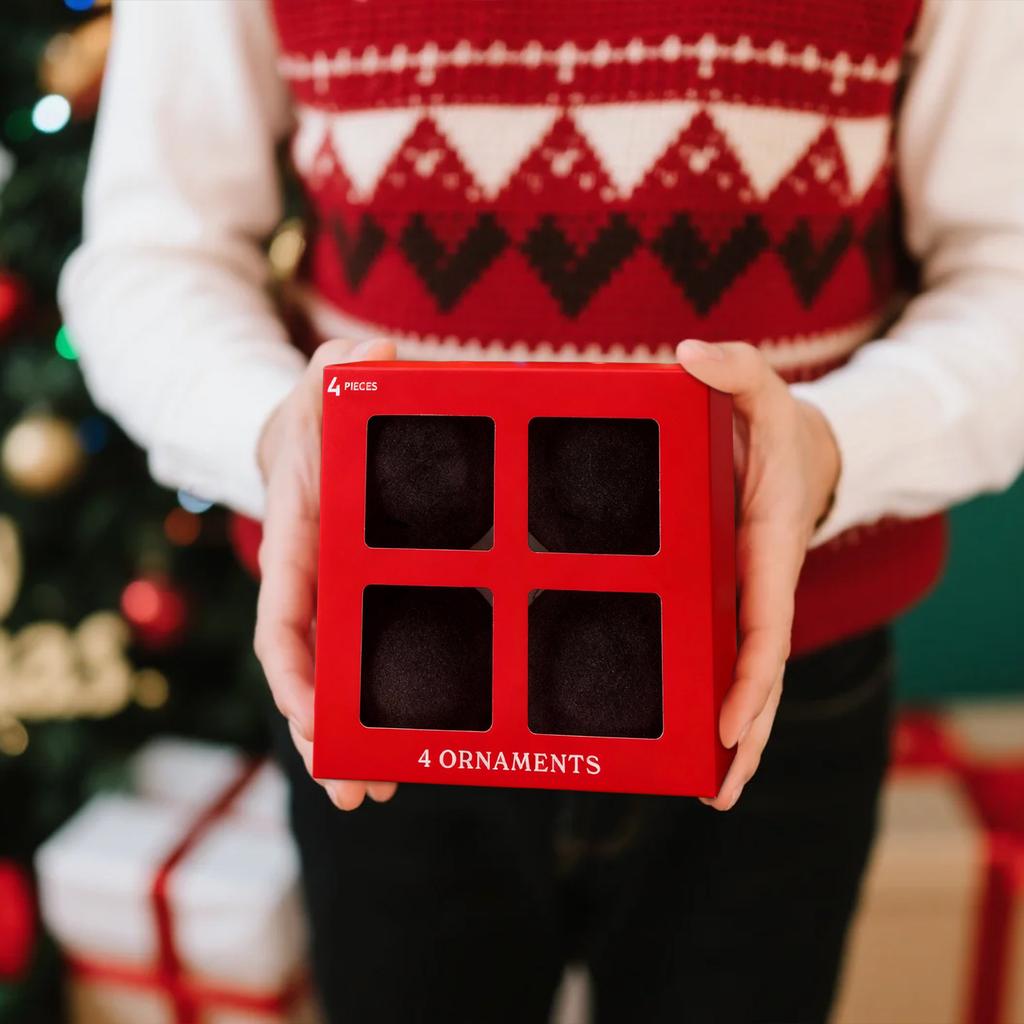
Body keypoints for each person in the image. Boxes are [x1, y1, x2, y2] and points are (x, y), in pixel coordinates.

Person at [60, 2, 1024, 1021]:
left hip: (776, 666)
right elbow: (155, 250)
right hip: (390, 657)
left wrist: (833, 445)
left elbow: (1004, 267)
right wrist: (268, 433)